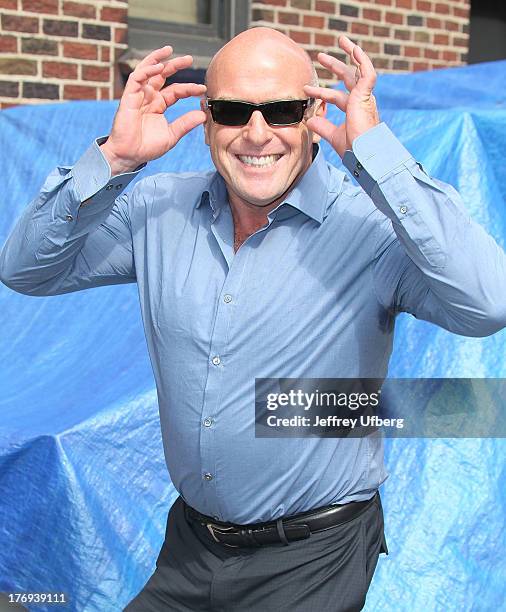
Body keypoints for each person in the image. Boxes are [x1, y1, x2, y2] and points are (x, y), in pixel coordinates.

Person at [1, 26, 506, 612]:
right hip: (191, 544)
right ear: (208, 119)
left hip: (312, 557)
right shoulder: (157, 209)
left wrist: (378, 157)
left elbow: (489, 302)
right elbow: (26, 270)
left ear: (315, 112)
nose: (258, 133)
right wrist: (112, 159)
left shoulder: (368, 229)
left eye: (283, 110)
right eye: (236, 111)